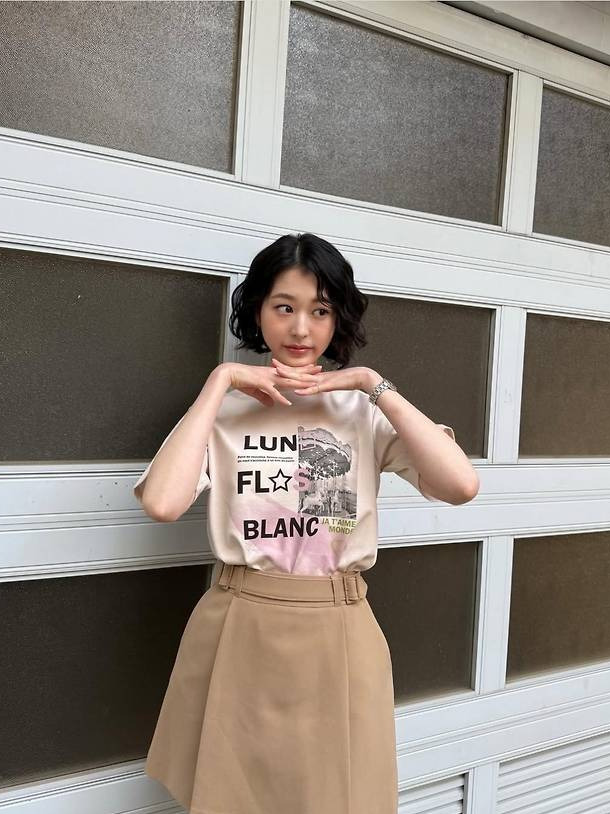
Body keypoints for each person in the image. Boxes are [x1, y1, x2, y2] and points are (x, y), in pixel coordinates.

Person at [133, 232, 479, 814]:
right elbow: (163, 503)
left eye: (320, 311)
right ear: (258, 312)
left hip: (339, 630)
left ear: (338, 318)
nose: (301, 329)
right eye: (284, 307)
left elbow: (460, 485)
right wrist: (219, 382)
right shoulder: (224, 409)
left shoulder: (362, 411)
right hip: (238, 625)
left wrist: (372, 385)